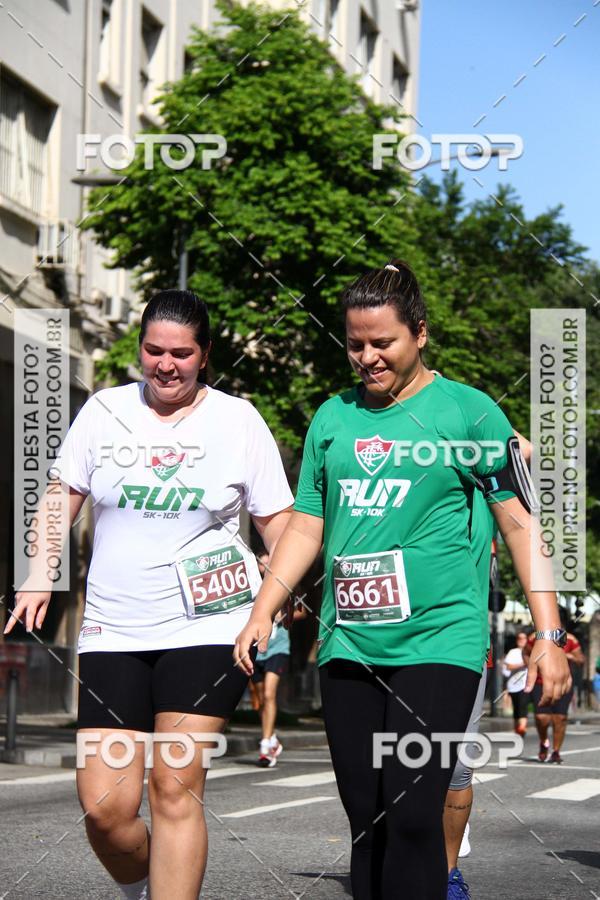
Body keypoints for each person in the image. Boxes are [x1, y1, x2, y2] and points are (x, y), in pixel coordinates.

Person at [235, 260, 570, 899]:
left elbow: (521, 527)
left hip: (439, 641)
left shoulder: (470, 413)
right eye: (355, 344)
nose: (367, 358)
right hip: (349, 642)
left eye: (382, 342)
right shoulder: (332, 418)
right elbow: (307, 524)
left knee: (414, 816)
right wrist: (263, 608)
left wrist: (548, 635)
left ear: (420, 333)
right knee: (368, 822)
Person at [5, 290, 294, 900]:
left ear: (205, 355)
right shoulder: (105, 410)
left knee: (174, 784)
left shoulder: (238, 420)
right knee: (105, 808)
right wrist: (39, 571)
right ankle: (143, 886)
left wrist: (275, 594)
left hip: (209, 625)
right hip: (114, 628)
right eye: (154, 350)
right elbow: (60, 498)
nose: (166, 365)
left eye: (181, 354)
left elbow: (280, 524)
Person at [252, 550, 306, 767]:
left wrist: (280, 615)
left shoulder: (283, 583)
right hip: (256, 649)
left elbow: (301, 610)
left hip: (278, 648)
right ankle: (272, 737)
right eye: (261, 564)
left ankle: (265, 745)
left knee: (269, 694)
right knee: (259, 700)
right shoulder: (252, 585)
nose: (264, 567)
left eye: (268, 563)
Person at [526, 617, 584, 764]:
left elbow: (580, 659)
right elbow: (525, 653)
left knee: (560, 718)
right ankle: (544, 742)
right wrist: (531, 666)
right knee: (542, 718)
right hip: (540, 682)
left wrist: (569, 656)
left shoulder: (570, 639)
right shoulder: (535, 637)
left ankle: (556, 751)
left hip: (562, 682)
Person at [503, 632, 529, 737]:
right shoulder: (513, 652)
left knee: (523, 707)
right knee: (516, 709)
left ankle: (522, 728)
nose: (521, 640)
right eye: (519, 638)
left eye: (524, 638)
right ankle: (517, 730)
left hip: (525, 685)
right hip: (513, 685)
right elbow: (509, 666)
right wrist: (523, 664)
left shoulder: (530, 651)